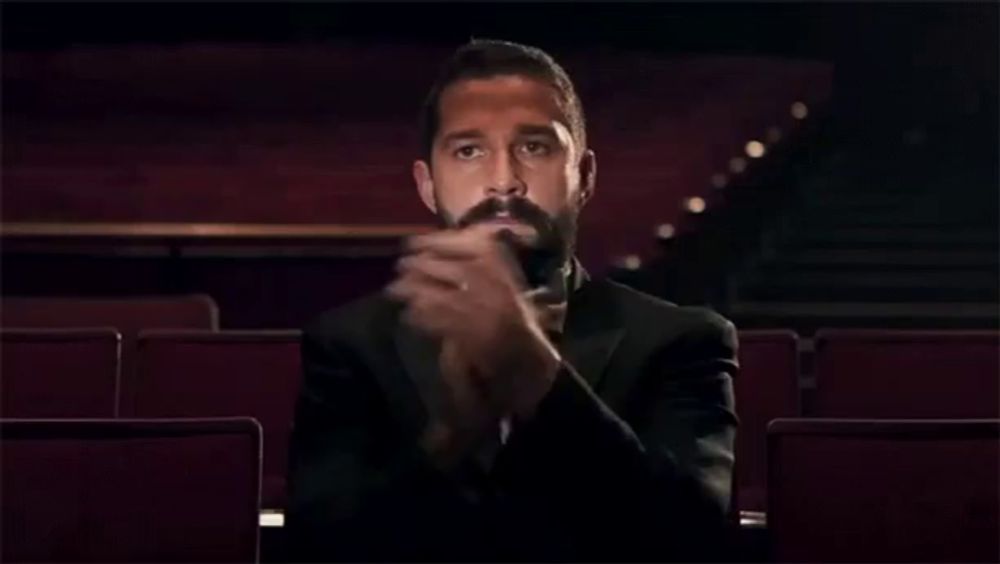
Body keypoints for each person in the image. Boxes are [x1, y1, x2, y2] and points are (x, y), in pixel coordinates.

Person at [286, 39, 739, 562]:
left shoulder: (683, 341)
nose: (504, 182)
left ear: (584, 176)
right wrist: (452, 438)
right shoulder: (348, 345)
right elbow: (319, 548)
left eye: (535, 147)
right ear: (428, 184)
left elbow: (693, 541)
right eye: (469, 151)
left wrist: (534, 375)